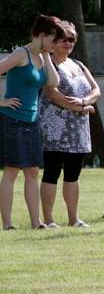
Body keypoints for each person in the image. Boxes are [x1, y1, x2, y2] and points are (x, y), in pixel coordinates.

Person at [0, 15, 62, 230]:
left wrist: (46, 56)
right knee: (11, 171)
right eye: (54, 40)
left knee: (33, 171)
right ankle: (7, 223)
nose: (56, 46)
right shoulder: (20, 53)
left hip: (32, 120)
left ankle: (36, 222)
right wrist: (1, 101)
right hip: (13, 120)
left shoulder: (41, 57)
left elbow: (54, 82)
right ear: (42, 35)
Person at [38, 21, 100, 228]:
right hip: (55, 129)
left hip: (78, 130)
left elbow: (96, 90)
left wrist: (84, 102)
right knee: (52, 172)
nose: (67, 43)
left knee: (73, 175)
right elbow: (52, 94)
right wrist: (80, 108)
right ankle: (48, 219)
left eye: (71, 39)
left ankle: (74, 218)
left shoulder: (79, 65)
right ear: (53, 42)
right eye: (62, 39)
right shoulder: (47, 64)